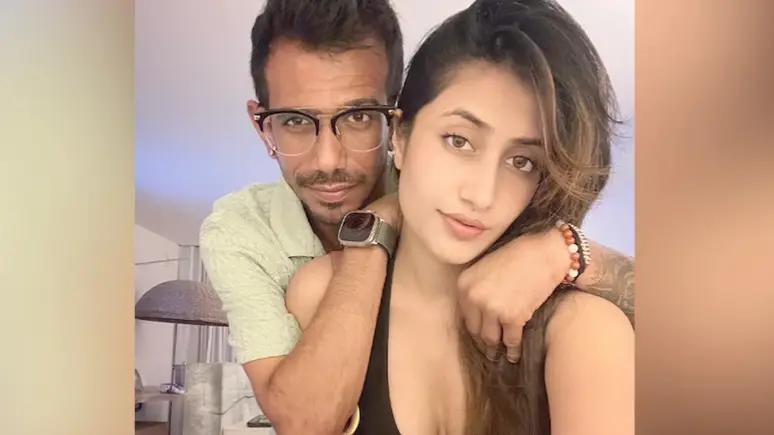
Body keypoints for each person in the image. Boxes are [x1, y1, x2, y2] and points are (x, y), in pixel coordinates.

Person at [199, 0, 635, 434]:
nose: (481, 195)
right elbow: (303, 421)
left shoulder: (581, 330)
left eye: (522, 161)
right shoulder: (268, 253)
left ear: (391, 126)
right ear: (402, 138)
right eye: (459, 141)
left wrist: (563, 252)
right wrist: (373, 233)